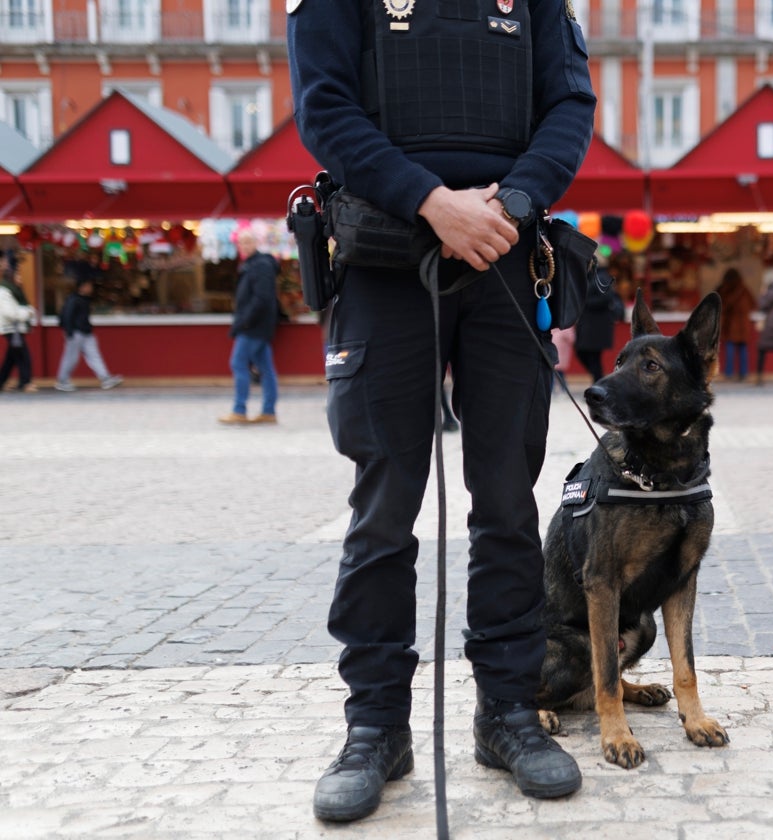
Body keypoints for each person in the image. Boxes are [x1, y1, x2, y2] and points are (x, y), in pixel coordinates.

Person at [288, 0, 596, 823]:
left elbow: (569, 105)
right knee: (384, 507)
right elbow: (324, 104)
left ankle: (506, 714)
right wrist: (431, 200)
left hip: (505, 256)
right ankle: (377, 727)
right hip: (384, 258)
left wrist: (517, 202)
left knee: (505, 503)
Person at [219, 230, 281, 425]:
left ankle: (239, 410)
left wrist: (245, 321)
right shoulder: (255, 264)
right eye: (241, 243)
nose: (244, 246)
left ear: (256, 242)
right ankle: (268, 411)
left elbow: (262, 298)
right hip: (259, 326)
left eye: (247, 242)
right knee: (265, 368)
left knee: (238, 363)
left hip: (253, 326)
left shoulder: (260, 265)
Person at [55, 277, 123, 392]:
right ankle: (62, 380)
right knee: (71, 358)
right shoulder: (74, 299)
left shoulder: (84, 299)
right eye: (88, 285)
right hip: (75, 332)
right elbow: (67, 316)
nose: (90, 288)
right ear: (82, 287)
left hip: (86, 333)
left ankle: (105, 378)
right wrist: (69, 332)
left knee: (94, 356)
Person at [573, 248, 624, 383]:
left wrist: (584, 303)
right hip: (592, 325)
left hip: (596, 326)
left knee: (592, 356)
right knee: (588, 355)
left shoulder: (601, 277)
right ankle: (599, 381)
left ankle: (599, 382)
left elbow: (605, 298)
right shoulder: (595, 276)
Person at [0, 266, 37, 392]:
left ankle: (1, 382)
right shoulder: (4, 292)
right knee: (23, 356)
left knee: (11, 358)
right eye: (18, 276)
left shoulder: (14, 291)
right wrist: (28, 312)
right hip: (11, 328)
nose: (20, 279)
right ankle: (25, 382)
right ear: (11, 278)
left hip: (15, 328)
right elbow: (10, 313)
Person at [716, 267, 756, 380]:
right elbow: (753, 304)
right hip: (743, 324)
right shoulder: (744, 290)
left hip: (730, 324)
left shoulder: (723, 290)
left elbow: (720, 306)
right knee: (743, 349)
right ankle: (744, 373)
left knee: (730, 348)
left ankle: (729, 374)